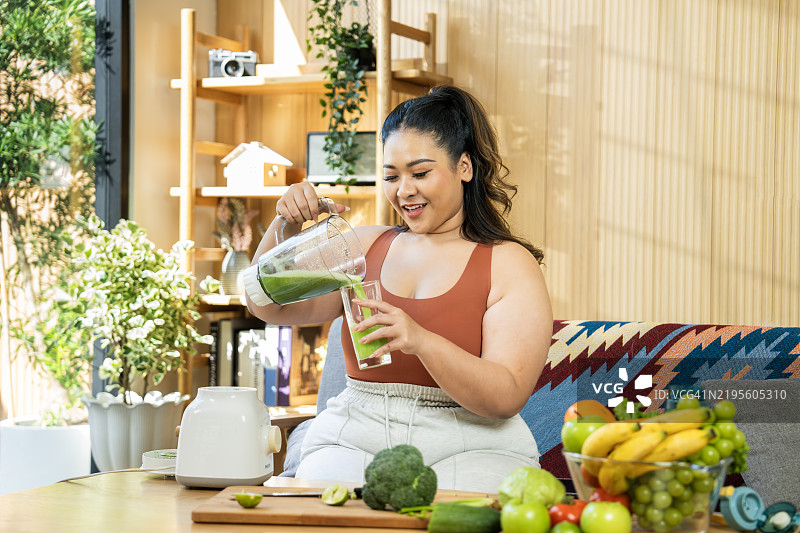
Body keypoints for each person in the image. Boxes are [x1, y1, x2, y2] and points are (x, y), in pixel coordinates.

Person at [246, 85, 552, 493]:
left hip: (471, 438)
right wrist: (284, 225)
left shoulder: (509, 263)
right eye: (391, 176)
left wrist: (421, 340)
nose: (403, 190)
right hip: (357, 431)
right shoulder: (365, 245)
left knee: (462, 514)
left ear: (465, 167)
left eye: (420, 173)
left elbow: (506, 397)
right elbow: (265, 305)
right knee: (322, 507)